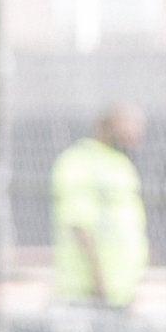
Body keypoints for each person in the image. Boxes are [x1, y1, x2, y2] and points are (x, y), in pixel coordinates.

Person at [51, 106, 149, 309]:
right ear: (105, 128)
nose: (133, 137)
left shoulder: (121, 164)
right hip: (89, 293)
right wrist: (99, 281)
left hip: (120, 293)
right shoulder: (78, 162)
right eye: (126, 130)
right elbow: (78, 225)